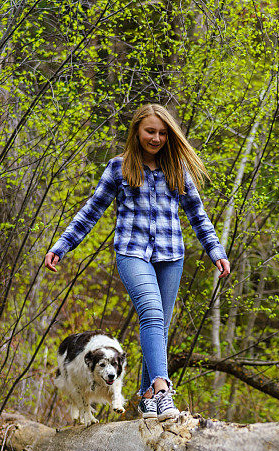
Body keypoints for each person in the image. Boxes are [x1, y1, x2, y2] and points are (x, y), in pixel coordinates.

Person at [45, 103, 231, 421]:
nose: (156, 138)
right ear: (137, 132)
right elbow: (92, 211)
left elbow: (198, 216)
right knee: (152, 313)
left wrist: (216, 251)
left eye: (162, 133)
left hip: (171, 255)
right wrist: (62, 246)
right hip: (132, 253)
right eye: (150, 131)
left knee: (159, 327)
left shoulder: (178, 170)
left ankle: (146, 398)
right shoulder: (119, 168)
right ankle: (161, 389)